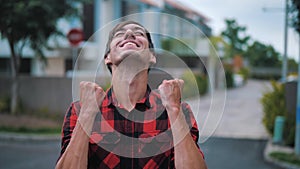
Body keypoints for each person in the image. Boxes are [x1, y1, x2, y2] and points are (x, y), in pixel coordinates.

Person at [56, 20, 207, 169]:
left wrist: (174, 110)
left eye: (139, 33)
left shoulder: (179, 110)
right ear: (107, 58)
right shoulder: (79, 110)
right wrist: (87, 113)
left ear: (152, 57)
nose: (129, 34)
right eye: (120, 34)